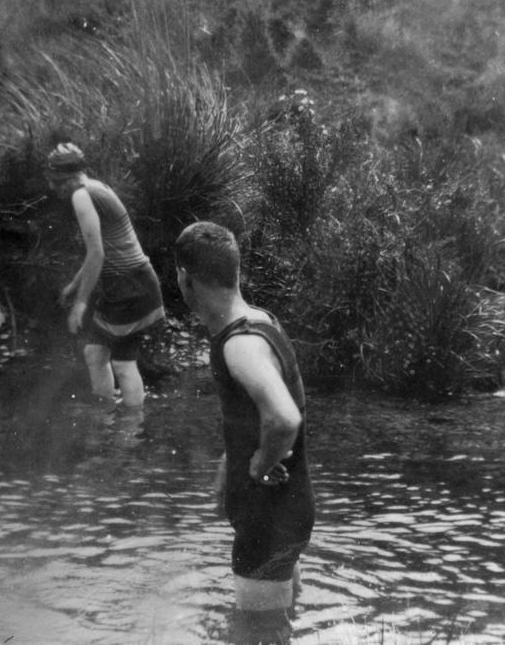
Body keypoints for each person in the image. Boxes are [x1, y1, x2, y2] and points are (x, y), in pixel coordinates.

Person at [174, 221, 314, 644]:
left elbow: (284, 418)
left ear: (186, 279)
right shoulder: (261, 320)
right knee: (280, 625)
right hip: (288, 510)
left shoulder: (240, 344)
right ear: (235, 271)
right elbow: (273, 412)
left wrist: (256, 467)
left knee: (257, 635)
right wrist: (229, 462)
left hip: (266, 521)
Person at [46, 142, 164, 409]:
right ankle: (105, 416)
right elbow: (100, 252)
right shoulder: (95, 187)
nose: (53, 187)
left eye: (54, 180)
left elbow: (97, 253)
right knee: (95, 353)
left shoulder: (81, 195)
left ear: (64, 177)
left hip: (130, 285)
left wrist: (80, 303)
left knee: (123, 363)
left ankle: (132, 427)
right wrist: (74, 285)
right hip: (129, 284)